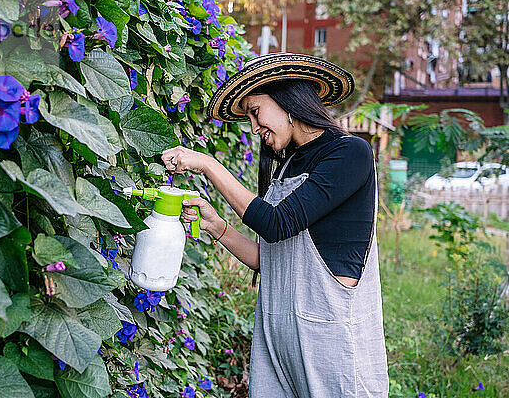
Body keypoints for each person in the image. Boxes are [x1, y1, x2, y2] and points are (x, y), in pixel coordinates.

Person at [161, 53, 388, 397]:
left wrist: (207, 164)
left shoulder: (350, 154)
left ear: (287, 99)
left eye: (255, 112)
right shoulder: (288, 166)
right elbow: (270, 257)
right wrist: (217, 226)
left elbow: (276, 223)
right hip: (279, 337)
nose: (253, 128)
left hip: (328, 340)